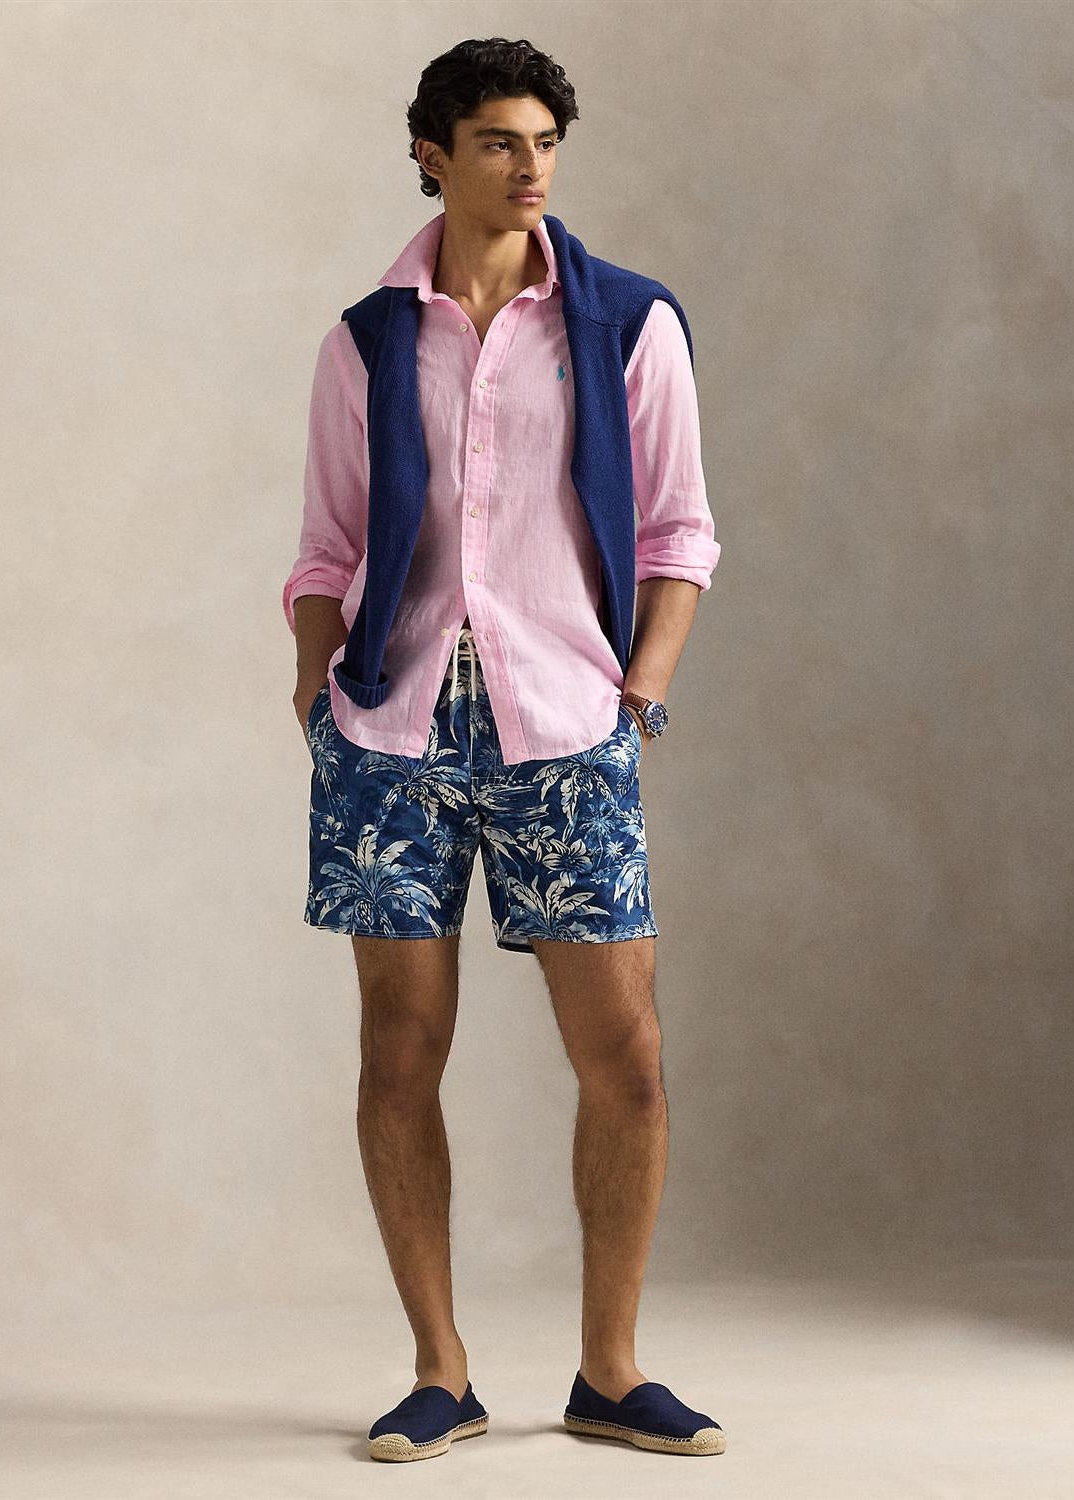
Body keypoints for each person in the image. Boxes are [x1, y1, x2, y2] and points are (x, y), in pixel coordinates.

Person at [281, 36, 725, 1464]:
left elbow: (679, 531)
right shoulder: (367, 341)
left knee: (628, 1056)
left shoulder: (628, 323)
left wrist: (637, 693)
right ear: (432, 155)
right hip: (392, 730)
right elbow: (327, 548)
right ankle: (441, 1371)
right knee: (399, 1050)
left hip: (568, 726)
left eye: (545, 142)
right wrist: (317, 692)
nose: (530, 168)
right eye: (497, 142)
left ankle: (610, 1371)